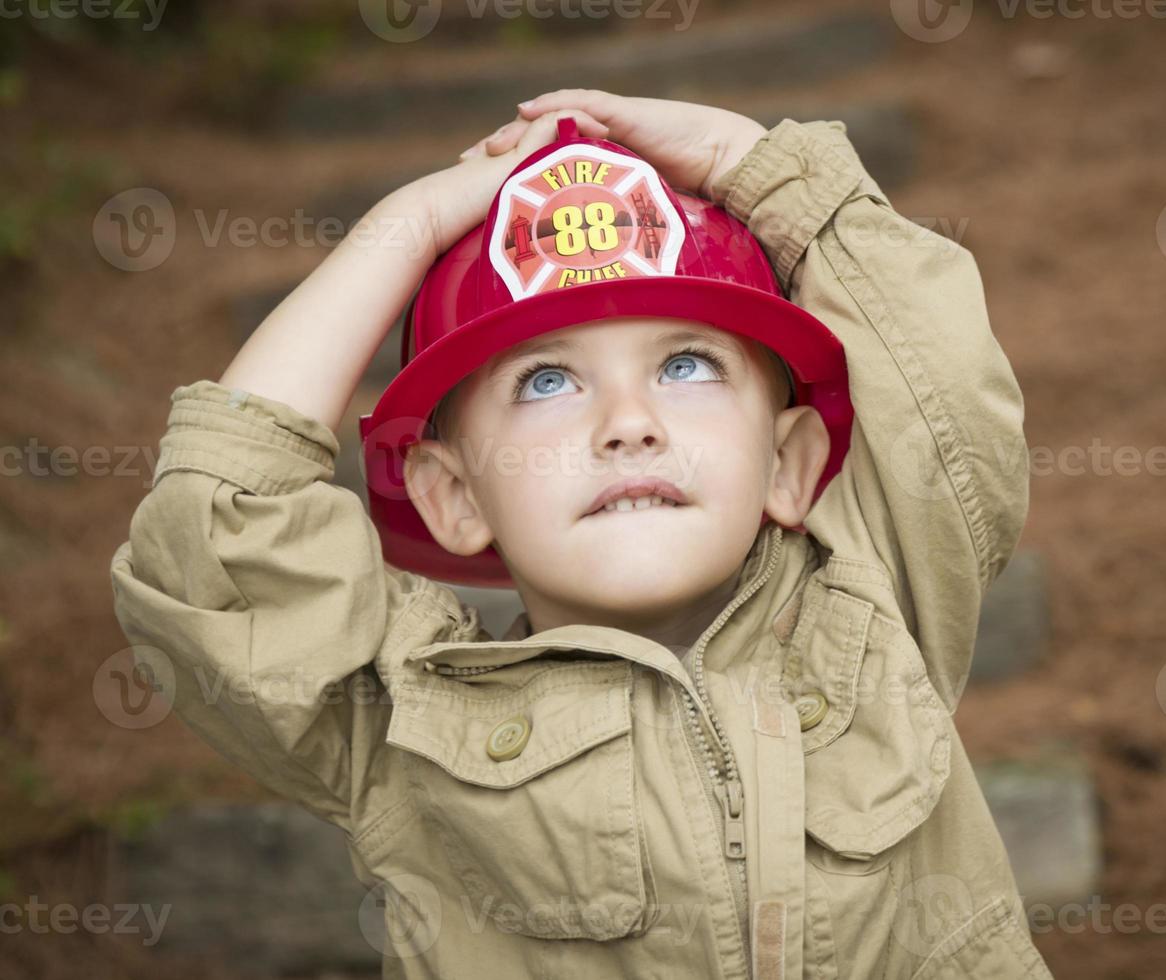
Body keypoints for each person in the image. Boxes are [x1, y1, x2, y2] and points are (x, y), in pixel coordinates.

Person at [109, 90, 1049, 979]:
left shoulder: (879, 597)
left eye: (686, 364)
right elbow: (218, 531)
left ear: (787, 463)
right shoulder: (402, 721)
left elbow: (945, 400)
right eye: (547, 382)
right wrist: (411, 226)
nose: (628, 422)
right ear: (452, 494)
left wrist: (745, 160)